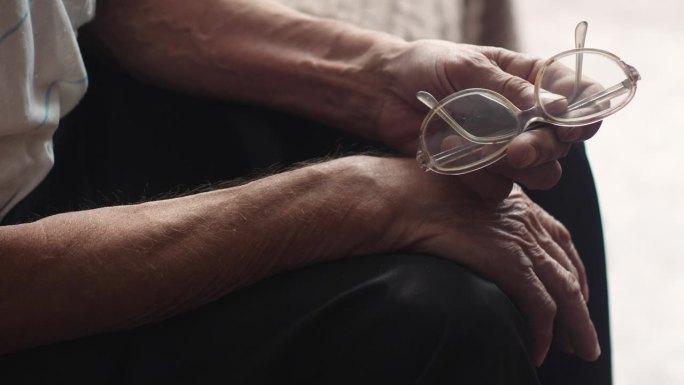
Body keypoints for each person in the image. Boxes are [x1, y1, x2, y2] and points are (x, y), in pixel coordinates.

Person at [0, 0, 611, 384]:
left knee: (503, 150)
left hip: (45, 142)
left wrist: (373, 75)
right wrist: (358, 201)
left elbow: (103, 10)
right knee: (435, 315)